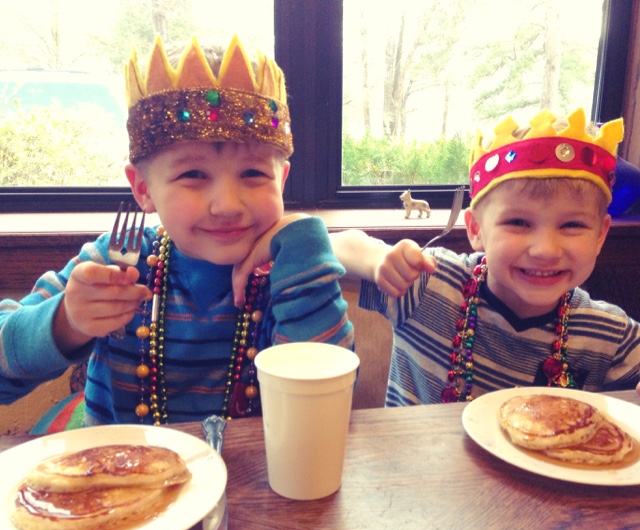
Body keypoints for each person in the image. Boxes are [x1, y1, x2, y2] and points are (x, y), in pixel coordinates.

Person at [0, 35, 353, 427]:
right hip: (122, 466)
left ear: (281, 181)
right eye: (193, 174)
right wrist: (66, 321)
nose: (227, 205)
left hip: (254, 467)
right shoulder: (116, 262)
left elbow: (322, 405)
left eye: (253, 173)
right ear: (143, 189)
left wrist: (305, 240)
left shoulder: (288, 275)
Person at [330, 107, 640, 406]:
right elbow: (327, 246)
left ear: (600, 235)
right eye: (518, 222)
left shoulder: (610, 336)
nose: (546, 249)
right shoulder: (428, 283)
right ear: (476, 229)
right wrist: (378, 259)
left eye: (572, 225)